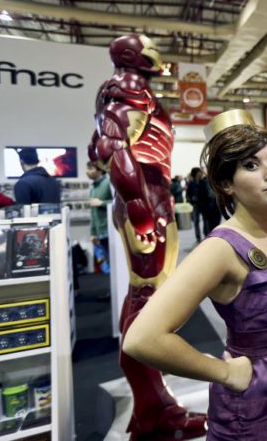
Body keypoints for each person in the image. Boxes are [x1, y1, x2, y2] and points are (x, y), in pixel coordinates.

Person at [123, 111, 267, 440]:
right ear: (226, 184)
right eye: (251, 165)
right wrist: (223, 371)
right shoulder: (220, 249)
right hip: (256, 409)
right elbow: (141, 338)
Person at [89, 33, 206, 439]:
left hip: (150, 197)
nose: (154, 52)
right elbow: (113, 149)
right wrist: (140, 211)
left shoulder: (124, 94)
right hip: (146, 201)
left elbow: (100, 149)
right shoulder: (126, 93)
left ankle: (154, 407)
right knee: (147, 301)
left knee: (149, 297)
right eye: (147, 46)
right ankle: (154, 413)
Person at [87, 162, 113, 269]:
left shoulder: (109, 183)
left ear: (100, 170)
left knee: (115, 262)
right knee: (108, 263)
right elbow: (93, 213)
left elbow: (119, 203)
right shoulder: (93, 187)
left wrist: (102, 203)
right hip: (100, 231)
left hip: (110, 230)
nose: (87, 172)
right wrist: (93, 233)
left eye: (91, 168)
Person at [186, 168, 204, 242]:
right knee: (196, 222)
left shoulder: (203, 182)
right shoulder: (191, 183)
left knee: (206, 220)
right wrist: (191, 202)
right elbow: (188, 195)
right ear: (196, 173)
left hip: (203, 204)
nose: (201, 173)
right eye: (199, 172)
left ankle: (207, 234)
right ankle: (198, 237)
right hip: (195, 205)